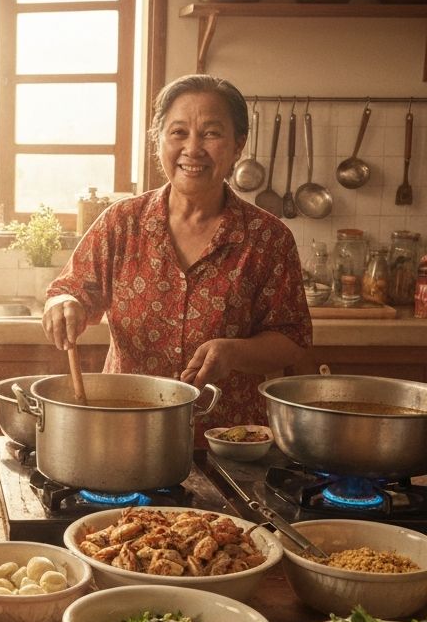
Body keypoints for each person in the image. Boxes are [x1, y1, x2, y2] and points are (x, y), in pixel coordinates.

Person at [42, 73, 312, 431]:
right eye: (179, 132)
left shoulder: (268, 238)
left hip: (225, 439)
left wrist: (234, 352)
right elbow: (70, 291)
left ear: (238, 145)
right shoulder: (122, 223)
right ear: (158, 140)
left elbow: (292, 338)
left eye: (211, 133)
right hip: (126, 432)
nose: (193, 149)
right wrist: (63, 304)